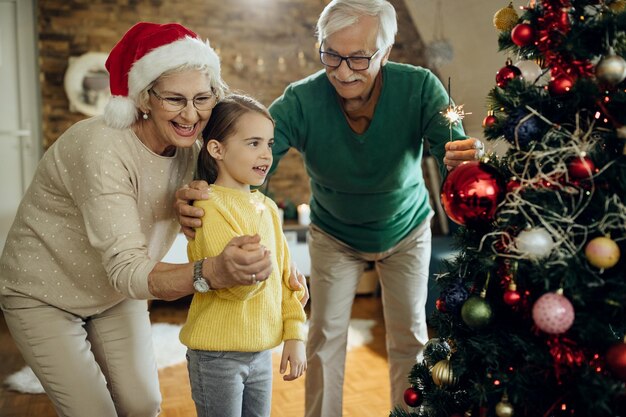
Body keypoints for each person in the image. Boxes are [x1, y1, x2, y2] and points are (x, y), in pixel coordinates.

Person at [175, 1, 484, 415]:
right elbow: (249, 158)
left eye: (358, 57)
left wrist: (469, 164)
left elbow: (454, 165)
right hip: (334, 234)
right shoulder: (300, 101)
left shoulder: (421, 87)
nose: (342, 70)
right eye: (331, 54)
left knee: (410, 338)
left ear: (386, 52)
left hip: (406, 229)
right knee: (323, 338)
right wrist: (205, 190)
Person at [0, 22, 307, 417]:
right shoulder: (102, 147)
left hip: (115, 295)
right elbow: (127, 268)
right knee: (93, 411)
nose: (191, 114)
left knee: (143, 405)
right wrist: (211, 273)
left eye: (202, 98)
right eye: (175, 99)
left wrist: (283, 270)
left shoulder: (193, 150)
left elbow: (233, 206)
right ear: (144, 97)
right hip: (45, 292)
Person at [181, 94, 307, 417]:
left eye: (269, 144)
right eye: (253, 143)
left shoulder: (268, 210)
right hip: (216, 356)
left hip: (261, 351)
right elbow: (233, 284)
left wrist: (295, 334)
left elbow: (289, 281)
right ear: (217, 149)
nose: (266, 154)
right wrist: (258, 271)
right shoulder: (208, 206)